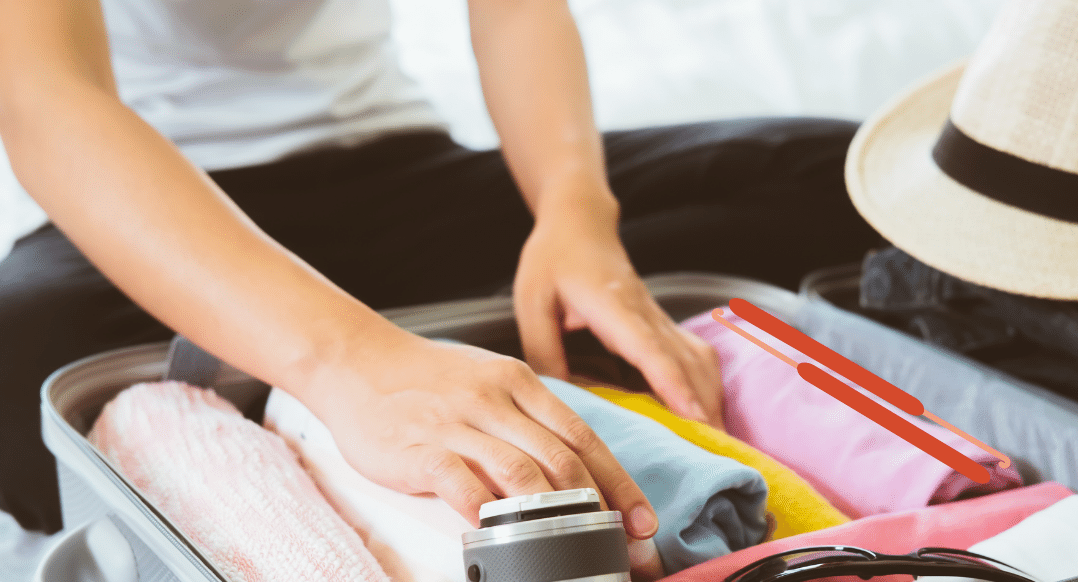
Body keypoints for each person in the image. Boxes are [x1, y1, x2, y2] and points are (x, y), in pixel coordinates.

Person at [0, 0, 879, 534]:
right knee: (16, 364)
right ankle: (385, 360)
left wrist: (576, 215)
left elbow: (513, 11)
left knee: (840, 180)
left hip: (403, 176)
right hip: (161, 211)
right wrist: (352, 365)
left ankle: (400, 354)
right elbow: (48, 94)